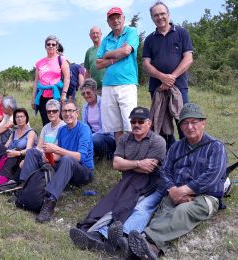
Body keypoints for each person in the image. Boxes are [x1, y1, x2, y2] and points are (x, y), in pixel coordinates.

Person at [128, 103, 227, 260]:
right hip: (175, 193)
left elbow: (212, 176)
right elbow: (164, 171)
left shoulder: (216, 147)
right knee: (163, 212)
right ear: (180, 126)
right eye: (185, 123)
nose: (190, 127)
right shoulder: (176, 147)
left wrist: (183, 191)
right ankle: (151, 250)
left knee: (182, 212)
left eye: (194, 122)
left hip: (205, 197)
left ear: (203, 123)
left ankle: (146, 240)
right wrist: (173, 189)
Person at [69, 107, 166, 257]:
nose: (136, 124)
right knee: (110, 203)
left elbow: (149, 168)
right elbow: (116, 164)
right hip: (127, 181)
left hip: (150, 183)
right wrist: (139, 163)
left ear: (149, 123)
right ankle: (94, 232)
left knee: (129, 206)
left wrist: (128, 164)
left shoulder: (158, 141)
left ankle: (104, 235)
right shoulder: (124, 139)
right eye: (133, 121)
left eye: (141, 121)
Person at [19, 100, 94, 222]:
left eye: (70, 110)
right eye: (65, 111)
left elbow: (81, 157)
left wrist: (57, 149)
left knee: (67, 159)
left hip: (83, 172)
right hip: (65, 165)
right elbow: (58, 156)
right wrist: (49, 157)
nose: (67, 114)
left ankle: (50, 202)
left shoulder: (84, 129)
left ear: (77, 113)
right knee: (33, 152)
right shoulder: (62, 130)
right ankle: (24, 189)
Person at [143, 1, 194, 149]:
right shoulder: (149, 39)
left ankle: (188, 154)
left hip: (179, 87)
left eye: (162, 14)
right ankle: (169, 156)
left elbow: (188, 58)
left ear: (168, 14)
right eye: (156, 15)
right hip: (157, 88)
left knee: (184, 121)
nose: (160, 17)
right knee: (162, 124)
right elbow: (146, 64)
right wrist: (161, 77)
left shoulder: (182, 33)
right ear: (152, 18)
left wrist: (171, 78)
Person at [96, 7, 139, 142]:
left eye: (118, 17)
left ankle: (132, 156)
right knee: (116, 126)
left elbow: (127, 51)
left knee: (130, 124)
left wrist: (107, 54)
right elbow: (98, 64)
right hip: (108, 85)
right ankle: (120, 154)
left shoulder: (131, 32)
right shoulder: (106, 39)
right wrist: (116, 56)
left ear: (123, 18)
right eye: (112, 18)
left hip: (127, 84)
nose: (115, 20)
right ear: (108, 22)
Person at [31, 35, 70, 126]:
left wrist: (64, 94)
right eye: (48, 44)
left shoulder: (62, 59)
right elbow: (36, 81)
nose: (51, 46)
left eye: (53, 44)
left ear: (57, 46)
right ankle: (48, 140)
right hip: (42, 97)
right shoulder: (39, 63)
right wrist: (33, 98)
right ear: (45, 46)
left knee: (60, 122)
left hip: (57, 96)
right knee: (46, 123)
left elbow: (67, 77)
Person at [80, 78, 116, 160]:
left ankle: (109, 154)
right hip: (94, 136)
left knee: (94, 140)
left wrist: (90, 136)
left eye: (88, 92)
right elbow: (85, 126)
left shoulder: (105, 104)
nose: (86, 95)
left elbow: (108, 129)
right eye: (83, 94)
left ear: (95, 91)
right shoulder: (85, 107)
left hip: (108, 136)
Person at [84, 26, 105, 93]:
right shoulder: (89, 51)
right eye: (93, 33)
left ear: (101, 34)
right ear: (90, 36)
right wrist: (86, 86)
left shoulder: (107, 47)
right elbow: (87, 72)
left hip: (108, 86)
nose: (95, 35)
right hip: (94, 89)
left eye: (97, 33)